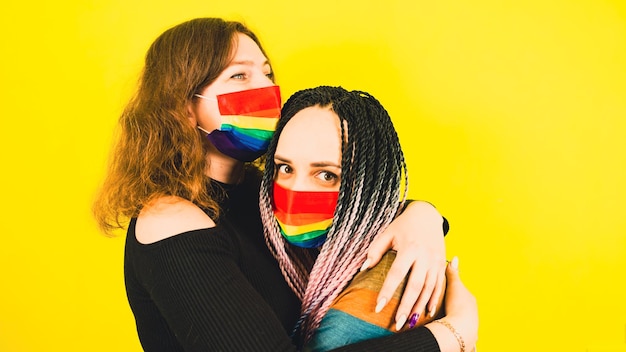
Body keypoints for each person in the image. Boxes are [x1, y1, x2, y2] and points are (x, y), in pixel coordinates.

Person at [92, 17, 457, 351]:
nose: (266, 90)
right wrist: (450, 335)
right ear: (184, 106)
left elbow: (359, 212)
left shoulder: (261, 190)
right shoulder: (169, 220)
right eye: (240, 76)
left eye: (267, 74)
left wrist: (423, 215)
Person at [259, 86, 476, 351]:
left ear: (371, 184)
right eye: (286, 168)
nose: (295, 191)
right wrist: (423, 211)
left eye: (327, 175)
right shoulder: (289, 250)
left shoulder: (380, 292)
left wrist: (457, 332)